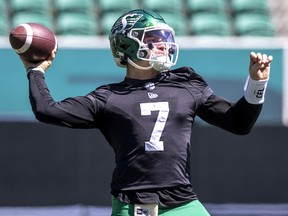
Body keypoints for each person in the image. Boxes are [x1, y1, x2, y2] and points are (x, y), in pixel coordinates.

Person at [20, 9, 273, 216]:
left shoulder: (186, 83)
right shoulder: (108, 97)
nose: (163, 45)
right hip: (134, 205)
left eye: (164, 38)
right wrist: (35, 71)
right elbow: (47, 110)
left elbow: (239, 123)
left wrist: (256, 84)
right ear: (127, 45)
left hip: (183, 203)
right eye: (152, 39)